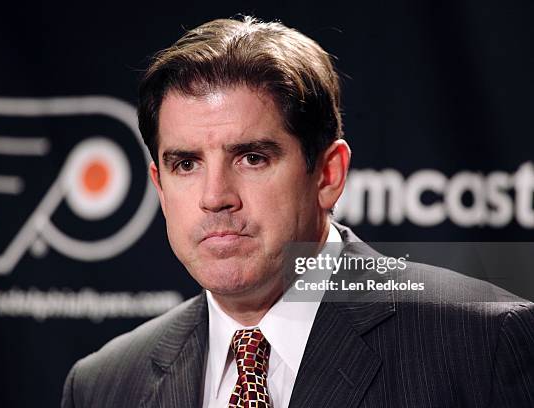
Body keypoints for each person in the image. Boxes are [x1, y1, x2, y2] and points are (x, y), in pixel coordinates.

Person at [61, 16, 534, 407]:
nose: (215, 196)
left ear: (328, 175)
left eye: (252, 158)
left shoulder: (482, 344)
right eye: (186, 164)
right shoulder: (103, 385)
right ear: (159, 187)